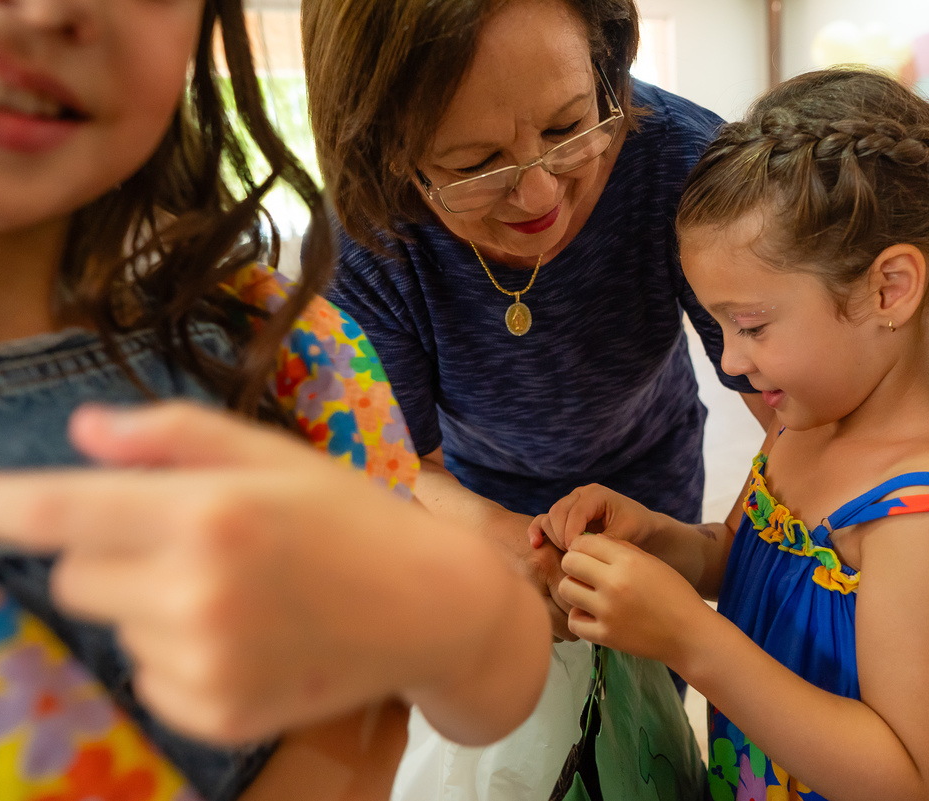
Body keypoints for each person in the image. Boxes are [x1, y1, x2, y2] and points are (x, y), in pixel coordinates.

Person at [0, 1, 550, 799]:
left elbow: (463, 660)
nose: (49, 8)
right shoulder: (365, 256)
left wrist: (454, 607)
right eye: (477, 160)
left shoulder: (282, 344)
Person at [531, 68, 929, 800]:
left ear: (889, 288)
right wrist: (659, 541)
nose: (730, 361)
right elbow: (748, 559)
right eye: (718, 324)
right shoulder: (803, 424)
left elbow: (921, 782)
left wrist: (690, 639)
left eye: (751, 324)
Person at [301, 0, 766, 796]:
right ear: (388, 153)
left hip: (649, 470)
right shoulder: (366, 237)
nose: (540, 193)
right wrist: (509, 542)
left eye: (567, 126)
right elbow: (394, 468)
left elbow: (797, 409)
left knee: (641, 729)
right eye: (476, 163)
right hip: (465, 496)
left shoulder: (684, 164)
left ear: (606, 65)